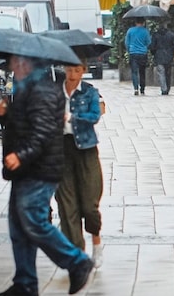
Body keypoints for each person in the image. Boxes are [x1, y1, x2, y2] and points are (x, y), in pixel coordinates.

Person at [0, 56, 94, 296]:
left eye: (17, 63)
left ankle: (76, 261)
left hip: (39, 169)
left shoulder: (43, 93)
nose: (12, 68)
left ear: (29, 66)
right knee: (18, 227)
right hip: (24, 170)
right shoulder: (27, 90)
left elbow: (43, 132)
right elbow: (22, 125)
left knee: (34, 221)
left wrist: (21, 155)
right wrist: (3, 114)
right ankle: (25, 282)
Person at [55, 62, 105, 269]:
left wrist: (72, 117)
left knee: (89, 204)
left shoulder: (90, 92)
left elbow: (95, 116)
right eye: (69, 70)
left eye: (77, 70)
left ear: (84, 70)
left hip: (85, 149)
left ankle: (96, 241)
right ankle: (77, 255)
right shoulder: (55, 92)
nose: (73, 74)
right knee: (67, 205)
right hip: (61, 149)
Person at [150, 22, 174, 95]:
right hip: (169, 56)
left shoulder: (155, 35)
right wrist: (171, 52)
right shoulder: (171, 35)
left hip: (159, 56)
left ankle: (164, 89)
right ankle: (168, 88)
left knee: (161, 73)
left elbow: (152, 47)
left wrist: (154, 53)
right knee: (168, 73)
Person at [125, 17, 151, 95]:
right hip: (143, 53)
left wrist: (129, 50)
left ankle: (136, 88)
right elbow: (149, 42)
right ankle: (142, 89)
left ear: (135, 22)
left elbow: (127, 43)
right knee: (142, 71)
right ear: (143, 23)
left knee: (134, 72)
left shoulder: (130, 31)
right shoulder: (145, 31)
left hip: (133, 53)